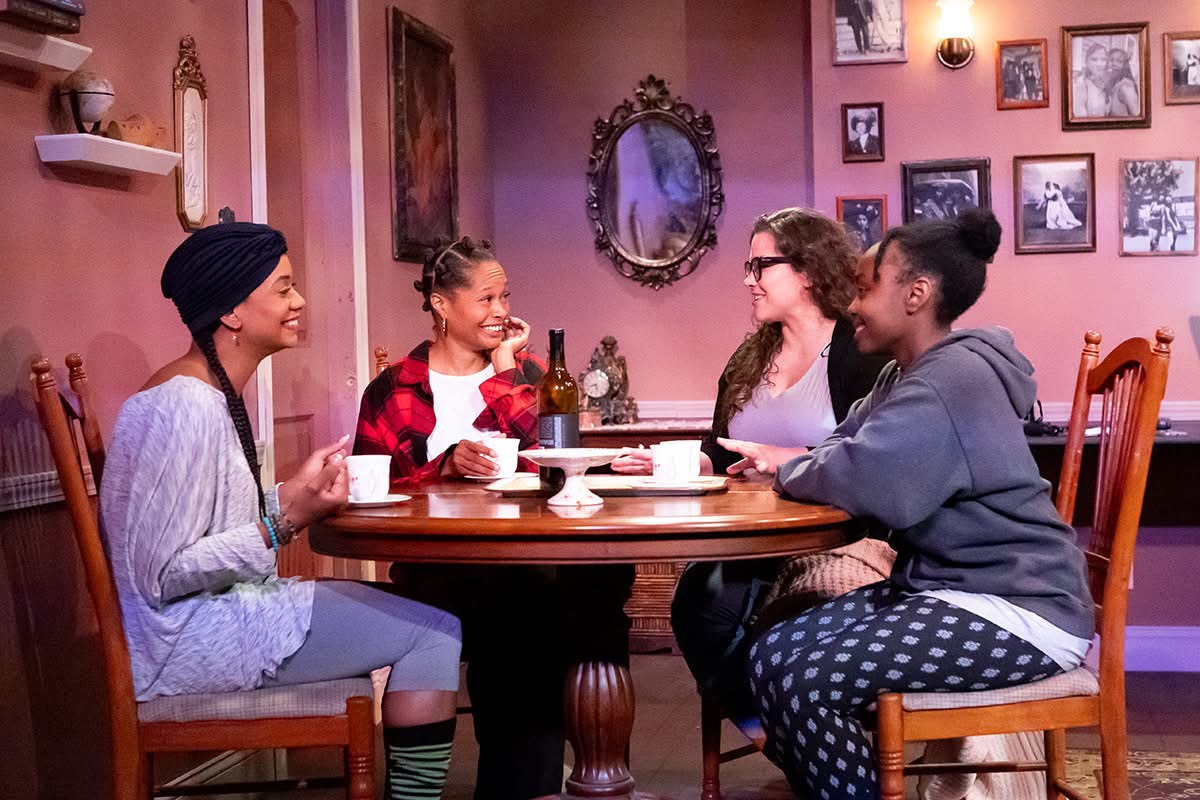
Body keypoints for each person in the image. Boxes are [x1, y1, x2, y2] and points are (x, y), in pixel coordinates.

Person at [727, 209, 1094, 800]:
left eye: (867, 286)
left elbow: (862, 475)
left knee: (801, 678)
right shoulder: (905, 375)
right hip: (958, 588)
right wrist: (803, 464)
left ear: (916, 294)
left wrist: (792, 467)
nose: (852, 304)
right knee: (771, 655)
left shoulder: (949, 380)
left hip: (1019, 610)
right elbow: (841, 446)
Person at [101, 222, 463, 800]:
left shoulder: (208, 395)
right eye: (283, 288)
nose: (299, 302)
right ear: (234, 313)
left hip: (220, 618)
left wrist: (294, 494)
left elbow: (207, 530)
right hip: (188, 643)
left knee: (430, 621)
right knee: (436, 634)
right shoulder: (184, 406)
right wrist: (282, 520)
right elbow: (161, 573)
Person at [354, 237, 633, 800]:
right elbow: (368, 492)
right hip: (434, 579)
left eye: (505, 296)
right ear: (440, 304)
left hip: (519, 570)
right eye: (485, 299)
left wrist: (505, 375)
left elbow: (557, 461)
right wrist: (444, 467)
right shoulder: (393, 389)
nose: (501, 311)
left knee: (554, 612)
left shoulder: (526, 374)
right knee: (531, 621)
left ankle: (532, 783)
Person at [612, 208, 891, 718]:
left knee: (753, 619)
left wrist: (792, 460)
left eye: (760, 266)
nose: (748, 280)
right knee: (698, 604)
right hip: (745, 539)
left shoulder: (857, 351)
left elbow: (876, 455)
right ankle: (784, 727)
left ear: (806, 271)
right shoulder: (750, 356)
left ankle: (798, 726)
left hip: (829, 540)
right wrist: (667, 463)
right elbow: (720, 451)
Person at [1073, 43, 1110, 117]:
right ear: (1086, 62)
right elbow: (1080, 118)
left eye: (1103, 60)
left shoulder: (1106, 83)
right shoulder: (1081, 84)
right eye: (1094, 59)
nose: (1099, 64)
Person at [1107, 48, 1140, 116]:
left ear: (1125, 66)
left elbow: (1137, 115)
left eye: (1119, 61)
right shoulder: (1113, 84)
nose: (1114, 64)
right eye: (1111, 60)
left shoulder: (1125, 86)